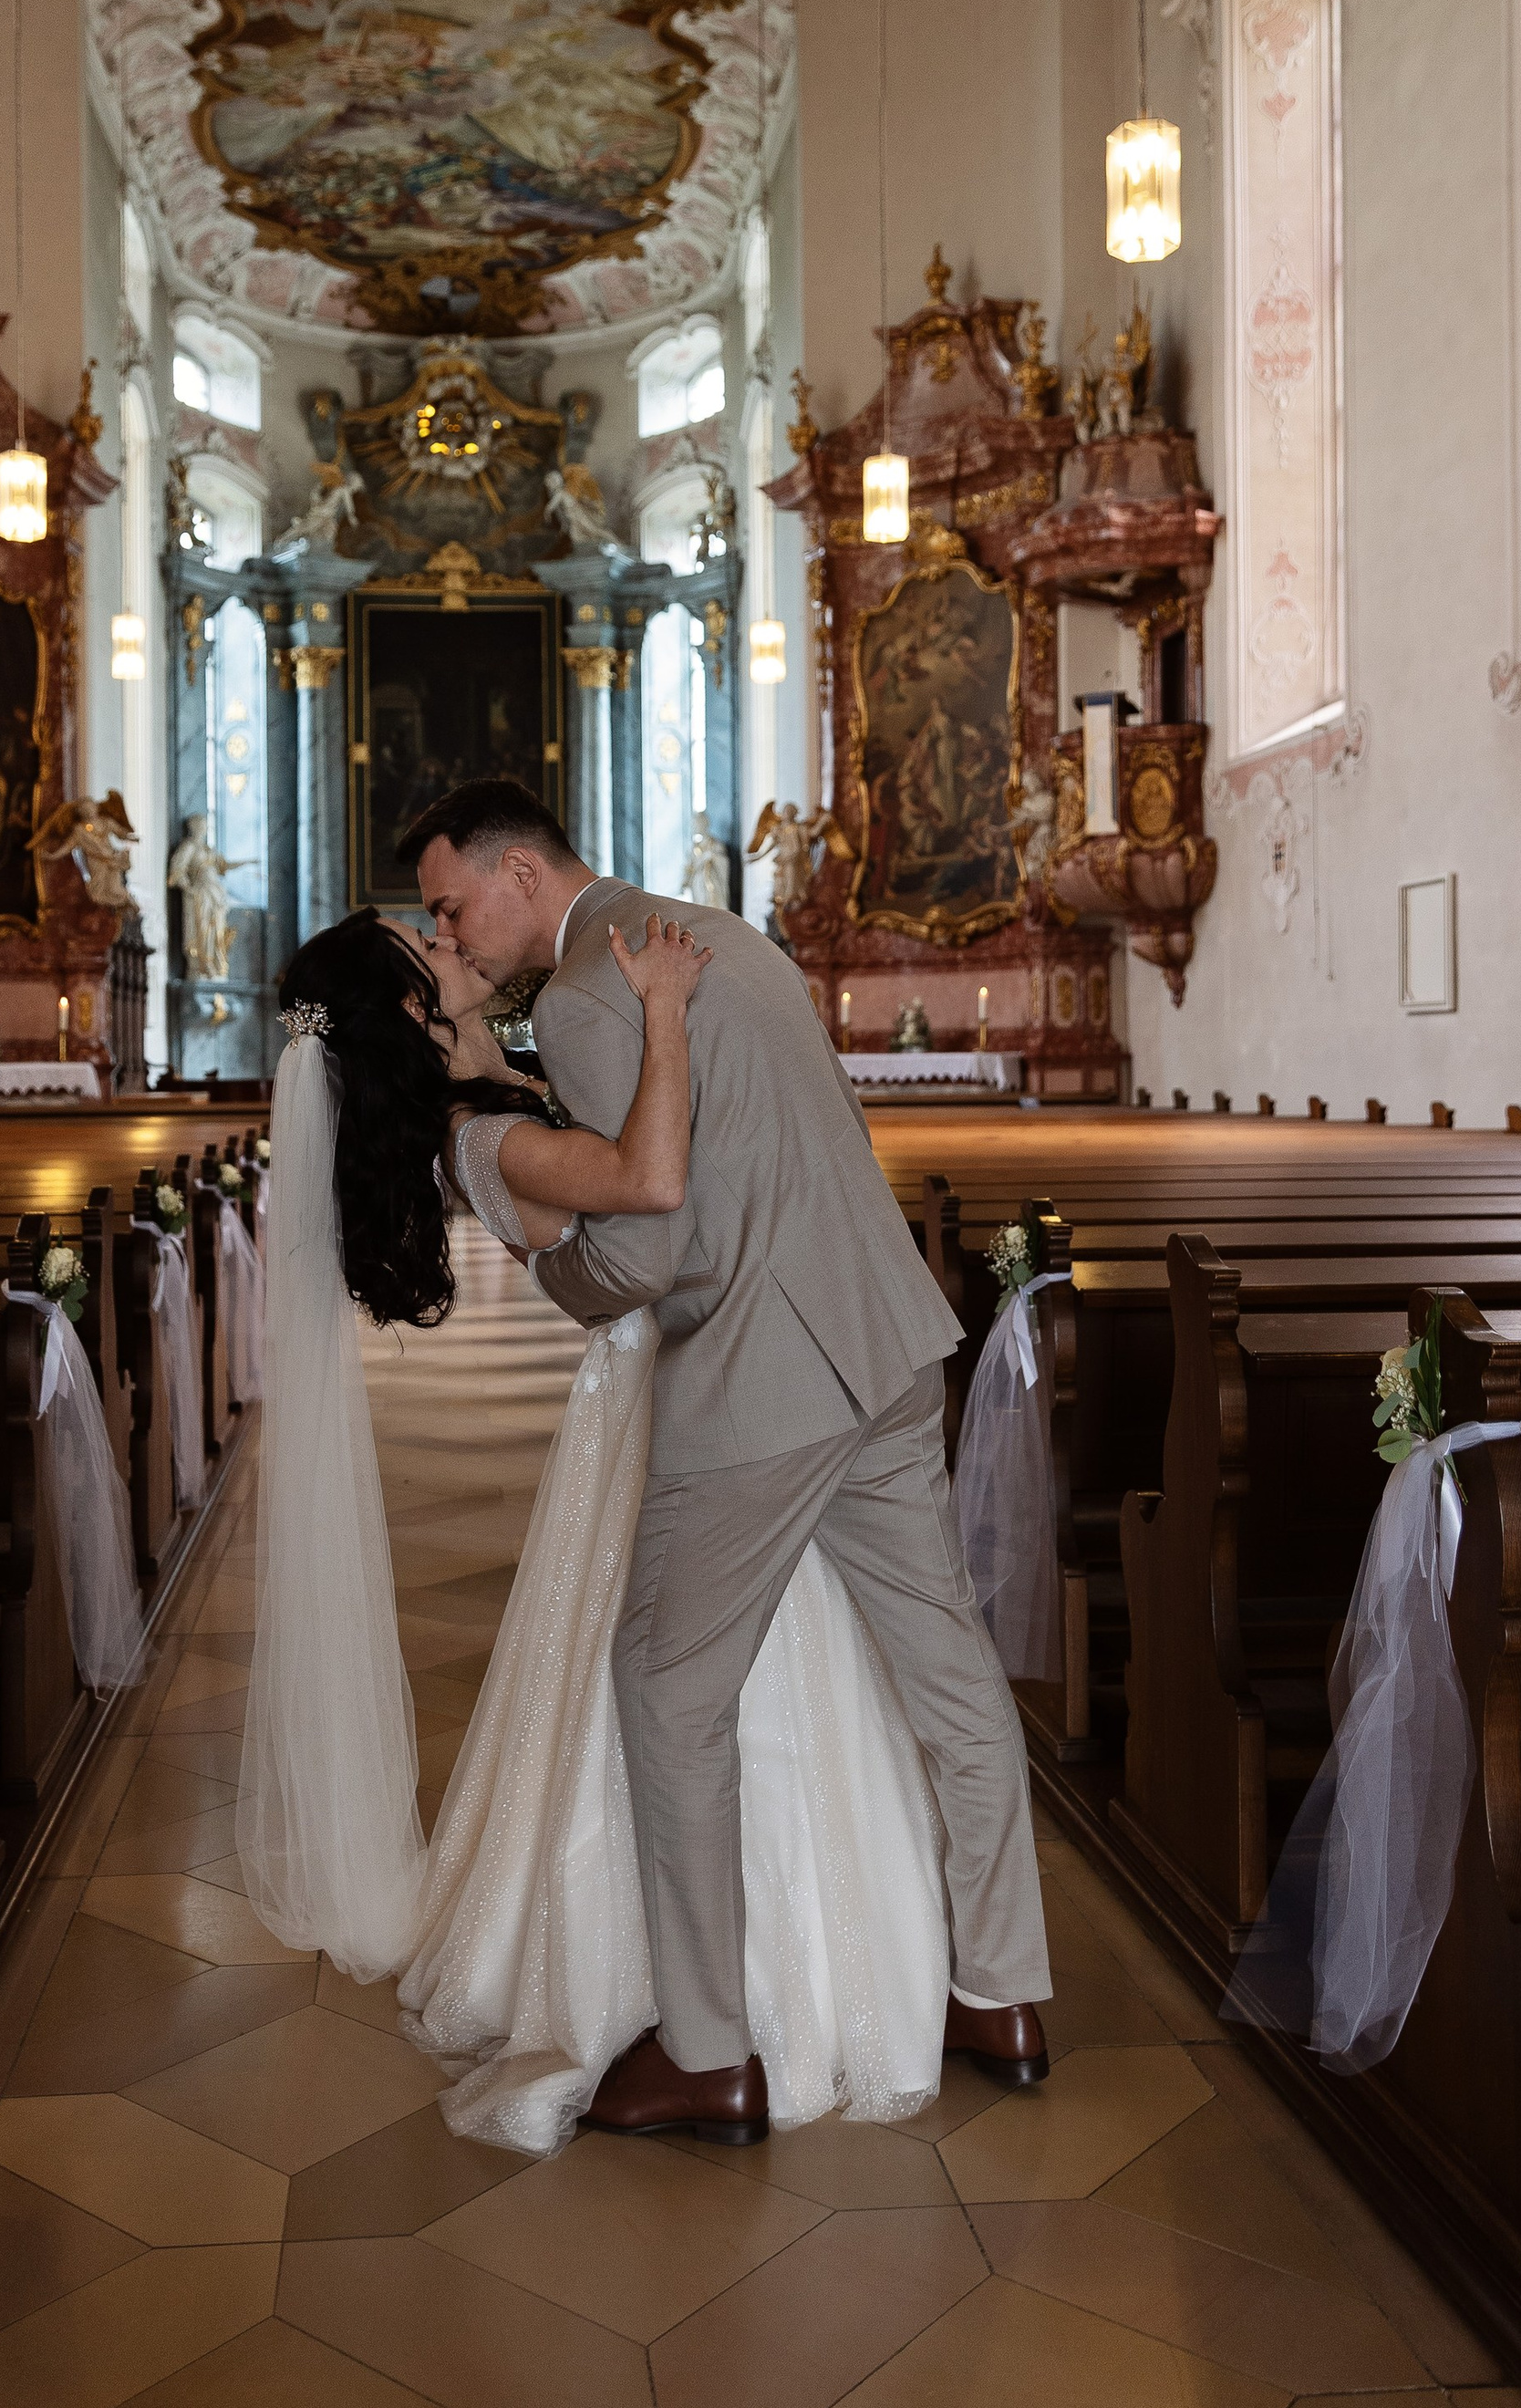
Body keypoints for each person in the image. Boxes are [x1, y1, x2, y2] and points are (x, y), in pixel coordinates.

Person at [237, 895, 958, 2151]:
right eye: (434, 951)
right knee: (710, 1680)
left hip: (697, 1382)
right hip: (671, 1396)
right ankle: (741, 2008)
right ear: (412, 1007)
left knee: (744, 1660)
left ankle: (739, 2010)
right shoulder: (476, 1141)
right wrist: (667, 1015)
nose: (457, 945)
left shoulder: (478, 1095)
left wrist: (508, 1063)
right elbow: (645, 1179)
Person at [400, 777, 1051, 2145]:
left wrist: (542, 1260)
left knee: (665, 1685)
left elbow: (645, 1247)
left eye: (455, 905)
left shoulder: (590, 994)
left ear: (522, 874)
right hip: (879, 1339)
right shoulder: (721, 934)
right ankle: (1002, 1991)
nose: (452, 933)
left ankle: (707, 2053)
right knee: (947, 1670)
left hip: (763, 1380)